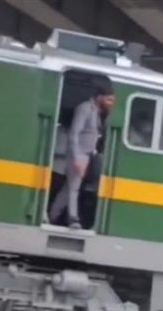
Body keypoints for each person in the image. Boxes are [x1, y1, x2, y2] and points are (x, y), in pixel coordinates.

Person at [49, 80, 115, 229]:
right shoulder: (84, 109)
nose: (110, 103)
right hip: (78, 154)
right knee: (74, 187)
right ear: (99, 97)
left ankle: (53, 214)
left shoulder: (98, 112)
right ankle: (73, 218)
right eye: (109, 99)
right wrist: (77, 157)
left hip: (87, 155)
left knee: (68, 188)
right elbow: (74, 134)